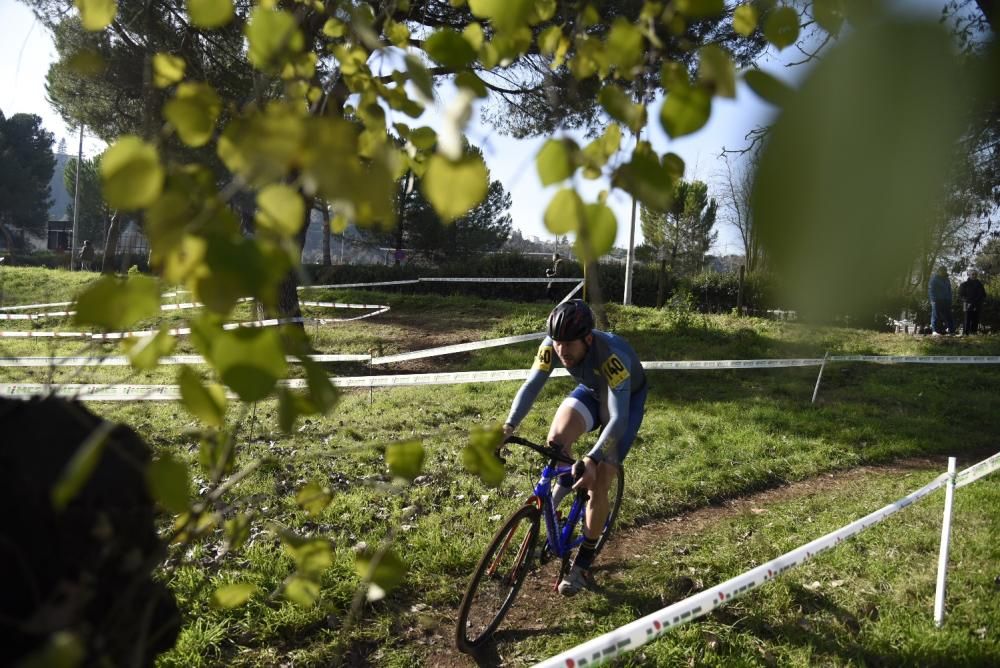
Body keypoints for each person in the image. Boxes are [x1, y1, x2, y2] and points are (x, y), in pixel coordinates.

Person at [502, 300, 647, 596]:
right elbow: (531, 385)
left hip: (624, 403)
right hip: (593, 391)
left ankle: (582, 563)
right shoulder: (551, 345)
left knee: (601, 478)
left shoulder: (611, 356)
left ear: (588, 339)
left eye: (569, 344)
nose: (562, 351)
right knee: (557, 440)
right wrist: (508, 427)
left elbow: (617, 419)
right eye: (557, 343)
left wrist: (593, 458)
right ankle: (562, 494)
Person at [958, 269, 987, 335]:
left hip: (977, 304)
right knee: (967, 319)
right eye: (973, 274)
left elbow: (984, 294)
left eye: (975, 274)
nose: (974, 276)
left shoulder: (980, 284)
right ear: (969, 275)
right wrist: (967, 301)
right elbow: (961, 295)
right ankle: (966, 333)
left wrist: (981, 301)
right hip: (967, 304)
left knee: (976, 319)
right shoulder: (964, 284)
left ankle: (974, 332)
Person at [928, 265, 955, 335]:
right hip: (936, 300)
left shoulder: (947, 279)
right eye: (942, 271)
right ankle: (935, 331)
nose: (943, 272)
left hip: (946, 300)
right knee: (935, 316)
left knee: (949, 316)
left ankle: (951, 331)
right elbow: (931, 290)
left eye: (944, 271)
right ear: (939, 271)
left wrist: (950, 299)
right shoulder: (934, 279)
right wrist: (933, 300)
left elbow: (949, 290)